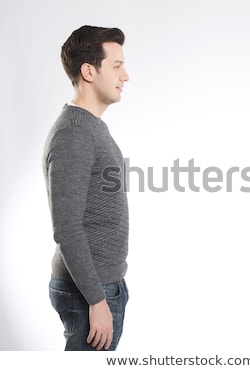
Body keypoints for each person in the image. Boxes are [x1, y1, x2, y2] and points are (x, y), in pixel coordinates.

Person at [42, 25, 130, 351]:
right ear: (89, 71)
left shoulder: (90, 127)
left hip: (99, 285)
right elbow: (66, 227)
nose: (126, 76)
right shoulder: (75, 134)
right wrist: (96, 300)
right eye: (117, 66)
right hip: (89, 292)